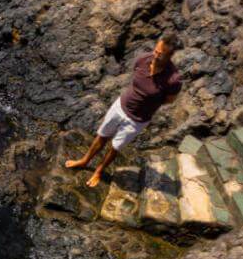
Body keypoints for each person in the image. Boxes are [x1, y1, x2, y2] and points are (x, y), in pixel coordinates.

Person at [64, 35, 183, 188]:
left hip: (137, 120)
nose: (156, 54)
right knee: (102, 136)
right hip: (120, 107)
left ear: (170, 56)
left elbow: (169, 100)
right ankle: (85, 160)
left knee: (115, 147)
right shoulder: (143, 59)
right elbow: (135, 77)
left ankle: (99, 171)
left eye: (161, 53)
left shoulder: (173, 79)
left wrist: (148, 101)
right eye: (156, 49)